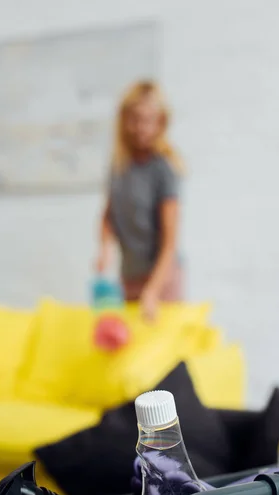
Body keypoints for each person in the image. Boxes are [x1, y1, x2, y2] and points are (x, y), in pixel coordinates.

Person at [95, 80, 184, 320]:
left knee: (162, 351)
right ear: (124, 120)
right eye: (135, 119)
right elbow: (108, 215)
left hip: (161, 278)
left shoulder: (163, 170)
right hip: (129, 277)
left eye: (149, 120)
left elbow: (170, 243)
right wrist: (105, 248)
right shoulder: (119, 166)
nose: (141, 128)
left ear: (160, 123)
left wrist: (153, 291)